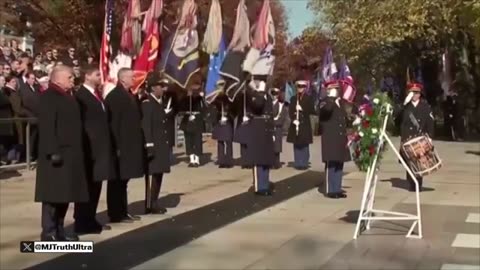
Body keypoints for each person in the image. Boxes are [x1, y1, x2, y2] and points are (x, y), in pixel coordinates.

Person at [34, 65, 88, 241]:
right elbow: (48, 126)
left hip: (71, 154)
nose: (73, 80)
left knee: (65, 195)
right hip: (56, 155)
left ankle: (60, 229)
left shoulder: (69, 97)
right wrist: (52, 151)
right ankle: (48, 232)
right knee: (52, 196)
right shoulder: (49, 97)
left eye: (73, 77)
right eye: (69, 77)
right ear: (57, 78)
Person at [73, 66, 114, 234]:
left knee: (96, 186)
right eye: (97, 74)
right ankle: (82, 220)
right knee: (87, 187)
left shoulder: (97, 96)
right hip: (89, 148)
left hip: (100, 149)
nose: (100, 77)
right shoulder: (81, 96)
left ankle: (90, 218)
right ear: (87, 76)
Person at [104, 68, 144, 223]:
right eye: (131, 77)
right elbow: (113, 123)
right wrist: (117, 146)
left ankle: (123, 210)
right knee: (117, 181)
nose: (134, 79)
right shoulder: (115, 97)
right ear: (122, 79)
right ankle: (115, 213)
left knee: (124, 180)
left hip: (131, 144)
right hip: (121, 146)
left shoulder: (130, 95)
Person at [141, 73, 172, 214]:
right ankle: (150, 203)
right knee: (153, 174)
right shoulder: (147, 103)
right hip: (154, 145)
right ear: (153, 88)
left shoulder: (160, 102)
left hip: (161, 144)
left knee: (158, 174)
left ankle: (154, 201)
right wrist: (149, 144)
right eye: (161, 86)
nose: (163, 89)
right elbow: (146, 125)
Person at [399, 82, 434, 192]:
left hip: (419, 137)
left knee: (419, 162)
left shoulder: (425, 106)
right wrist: (404, 104)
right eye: (412, 92)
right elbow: (397, 118)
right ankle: (411, 182)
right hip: (407, 138)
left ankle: (418, 184)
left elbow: (430, 122)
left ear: (420, 94)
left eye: (417, 92)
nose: (414, 95)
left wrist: (430, 137)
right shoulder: (406, 106)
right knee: (409, 162)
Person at [318, 81, 351, 199]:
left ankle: (337, 188)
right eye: (333, 89)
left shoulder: (340, 103)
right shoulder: (324, 102)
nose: (336, 91)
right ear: (328, 90)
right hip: (330, 139)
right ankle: (330, 190)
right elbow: (326, 111)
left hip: (340, 139)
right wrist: (331, 98)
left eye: (337, 89)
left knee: (339, 164)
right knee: (331, 164)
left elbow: (343, 120)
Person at [247, 80, 275, 196]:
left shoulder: (267, 96)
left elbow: (270, 114)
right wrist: (260, 92)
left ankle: (265, 184)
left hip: (267, 131)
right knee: (258, 160)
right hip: (258, 131)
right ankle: (259, 187)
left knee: (266, 160)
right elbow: (258, 106)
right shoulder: (254, 96)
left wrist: (272, 131)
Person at [286, 80, 315, 170]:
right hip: (296, 123)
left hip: (304, 124)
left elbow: (312, 110)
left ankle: (304, 163)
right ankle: (298, 162)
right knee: (297, 144)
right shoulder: (293, 99)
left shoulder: (308, 98)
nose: (300, 88)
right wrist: (294, 119)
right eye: (299, 87)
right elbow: (290, 111)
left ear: (305, 88)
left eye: (302, 87)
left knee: (304, 144)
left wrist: (302, 109)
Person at [179, 84, 205, 167]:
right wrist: (187, 97)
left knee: (197, 140)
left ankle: (197, 160)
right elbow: (181, 108)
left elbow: (204, 109)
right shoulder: (185, 99)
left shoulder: (200, 99)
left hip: (197, 120)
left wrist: (197, 116)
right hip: (188, 120)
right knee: (189, 141)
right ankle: (191, 159)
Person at [211, 80, 235, 168]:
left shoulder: (229, 97)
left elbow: (233, 109)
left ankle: (228, 161)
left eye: (221, 85)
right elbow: (212, 108)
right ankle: (221, 160)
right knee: (220, 142)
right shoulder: (215, 97)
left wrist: (228, 116)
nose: (220, 87)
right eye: (219, 86)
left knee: (228, 142)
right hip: (219, 121)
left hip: (228, 121)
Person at [271, 87, 287, 169]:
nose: (274, 96)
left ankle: (276, 163)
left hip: (277, 128)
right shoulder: (268, 104)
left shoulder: (281, 105)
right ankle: (270, 162)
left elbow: (282, 118)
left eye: (276, 94)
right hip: (269, 128)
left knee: (276, 147)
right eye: (273, 94)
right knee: (270, 146)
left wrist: (275, 123)